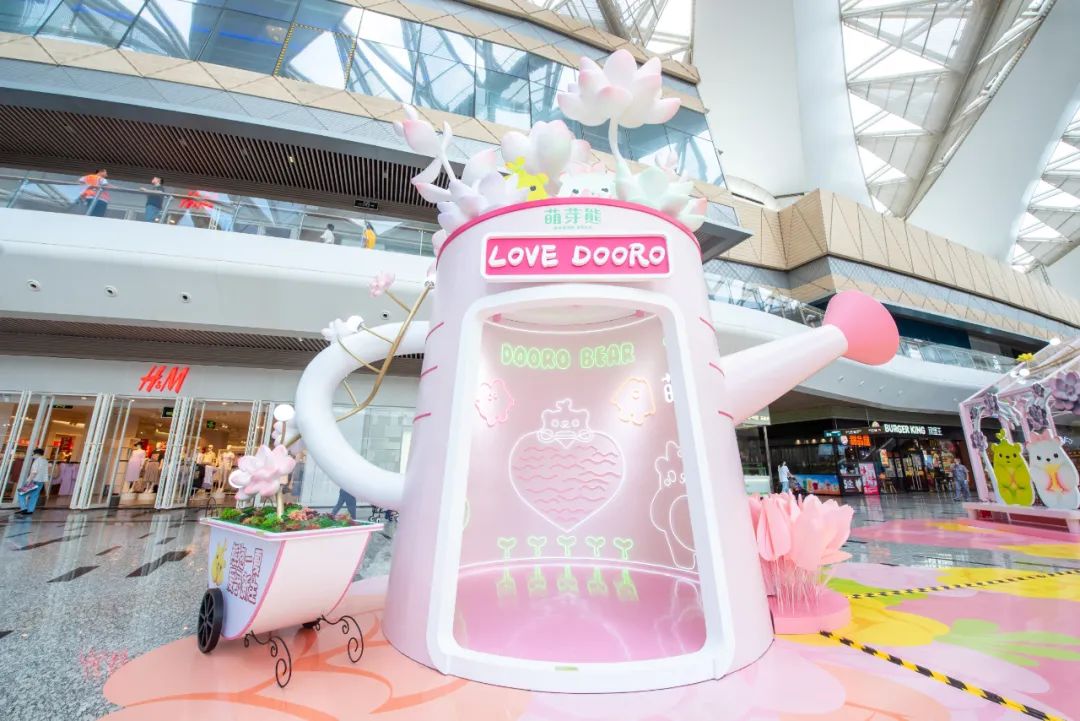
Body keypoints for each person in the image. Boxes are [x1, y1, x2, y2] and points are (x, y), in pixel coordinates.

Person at [16, 448, 49, 516]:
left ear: (37, 454)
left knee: (21, 494)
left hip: (33, 481)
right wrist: (47, 490)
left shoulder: (37, 461)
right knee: (34, 496)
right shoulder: (45, 461)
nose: (32, 455)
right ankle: (30, 510)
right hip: (41, 482)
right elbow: (45, 474)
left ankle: (24, 508)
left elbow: (34, 472)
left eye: (33, 454)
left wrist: (28, 481)